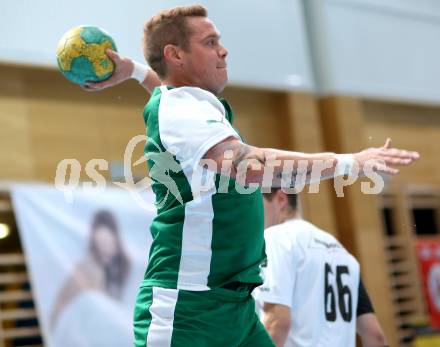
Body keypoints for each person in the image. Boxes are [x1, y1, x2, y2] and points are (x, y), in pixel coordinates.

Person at [83, 5, 419, 346]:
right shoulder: (180, 108)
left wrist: (137, 71)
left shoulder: (185, 104)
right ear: (175, 54)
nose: (223, 49)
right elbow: (251, 167)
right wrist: (348, 163)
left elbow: (166, 85)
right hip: (187, 309)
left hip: (235, 306)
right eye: (210, 41)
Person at [254, 189, 388, 347]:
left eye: (256, 203)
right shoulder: (343, 253)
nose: (250, 213)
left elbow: (277, 322)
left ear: (281, 199)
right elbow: (375, 335)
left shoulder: (275, 238)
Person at [50, 210, 131, 330]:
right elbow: (62, 306)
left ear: (115, 238)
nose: (106, 243)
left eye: (109, 239)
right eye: (102, 241)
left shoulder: (124, 265)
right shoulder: (85, 269)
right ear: (94, 240)